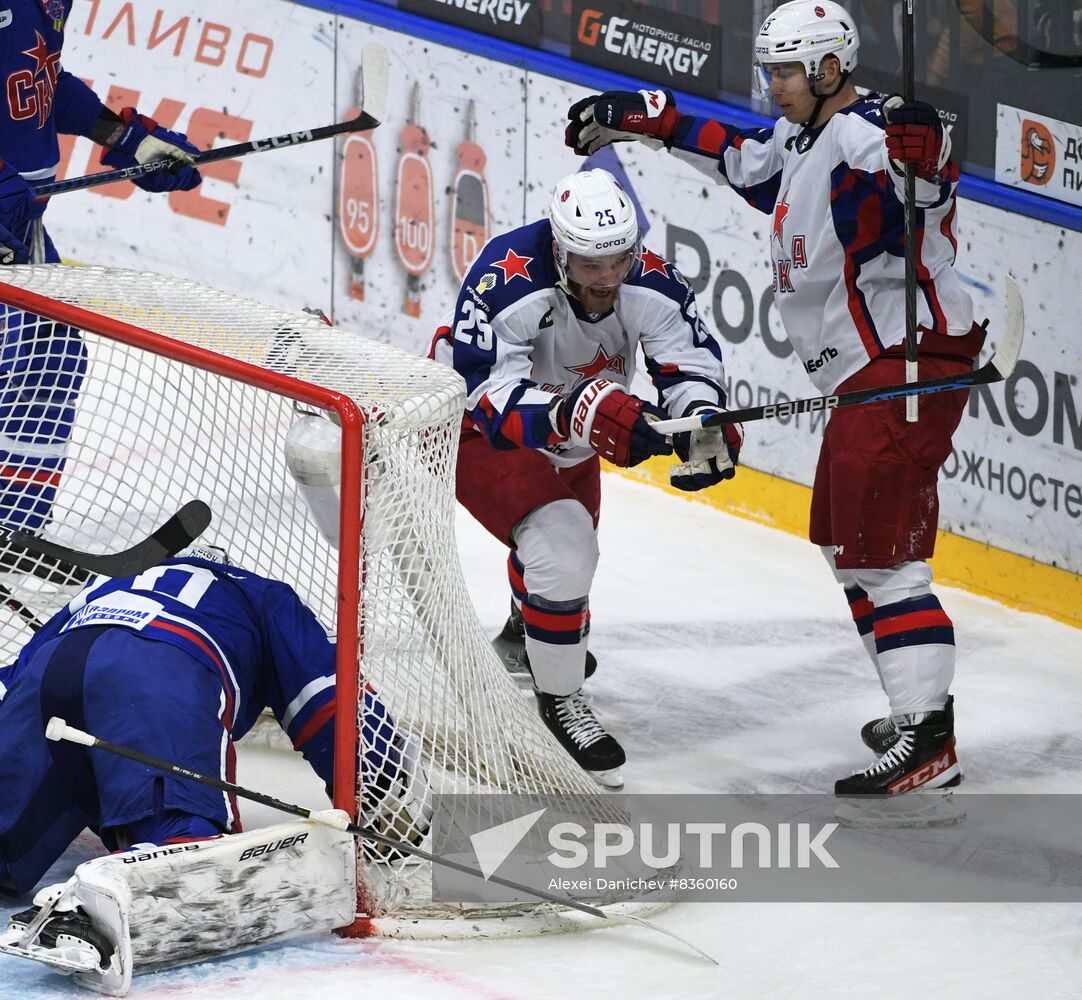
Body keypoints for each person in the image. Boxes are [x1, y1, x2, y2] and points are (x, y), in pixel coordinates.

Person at [566, 0, 981, 795]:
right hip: (869, 371)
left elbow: (923, 184)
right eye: (770, 70)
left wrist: (927, 155)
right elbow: (744, 163)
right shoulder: (806, 135)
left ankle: (928, 738)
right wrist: (643, 123)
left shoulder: (866, 135)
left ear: (831, 69)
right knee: (844, 540)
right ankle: (912, 709)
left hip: (907, 361)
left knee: (882, 555)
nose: (775, 85)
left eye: (789, 71)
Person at [429, 167, 740, 788]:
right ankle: (561, 701)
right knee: (565, 546)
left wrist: (701, 422)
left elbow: (690, 366)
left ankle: (527, 634)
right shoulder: (506, 274)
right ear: (558, 248)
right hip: (472, 428)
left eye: (617, 260)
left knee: (565, 563)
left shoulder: (650, 279)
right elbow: (481, 392)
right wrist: (581, 409)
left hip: (572, 441)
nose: (606, 278)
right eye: (589, 264)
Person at [0, 542, 424, 903]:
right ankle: (103, 904)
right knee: (182, 854)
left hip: (48, 670)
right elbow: (328, 701)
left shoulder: (103, 587)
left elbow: (10, 685)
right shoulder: (262, 595)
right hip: (161, 672)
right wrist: (380, 787)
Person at [0, 0, 200, 566]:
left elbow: (38, 81)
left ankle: (11, 534)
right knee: (34, 355)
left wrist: (126, 137)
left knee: (48, 359)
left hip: (17, 220)